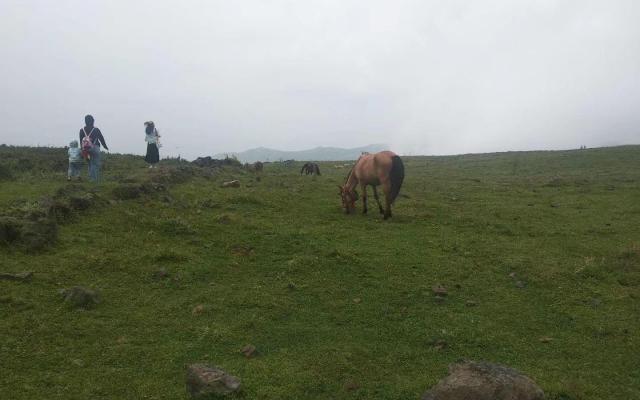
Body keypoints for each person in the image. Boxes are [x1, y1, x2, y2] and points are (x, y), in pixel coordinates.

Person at [79, 115, 108, 182]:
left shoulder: (82, 130)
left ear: (85, 121)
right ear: (92, 121)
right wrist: (105, 146)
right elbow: (101, 138)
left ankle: (91, 179)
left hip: (86, 150)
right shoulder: (96, 129)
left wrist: (82, 150)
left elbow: (81, 140)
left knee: (90, 164)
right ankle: (93, 180)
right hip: (95, 148)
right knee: (95, 164)